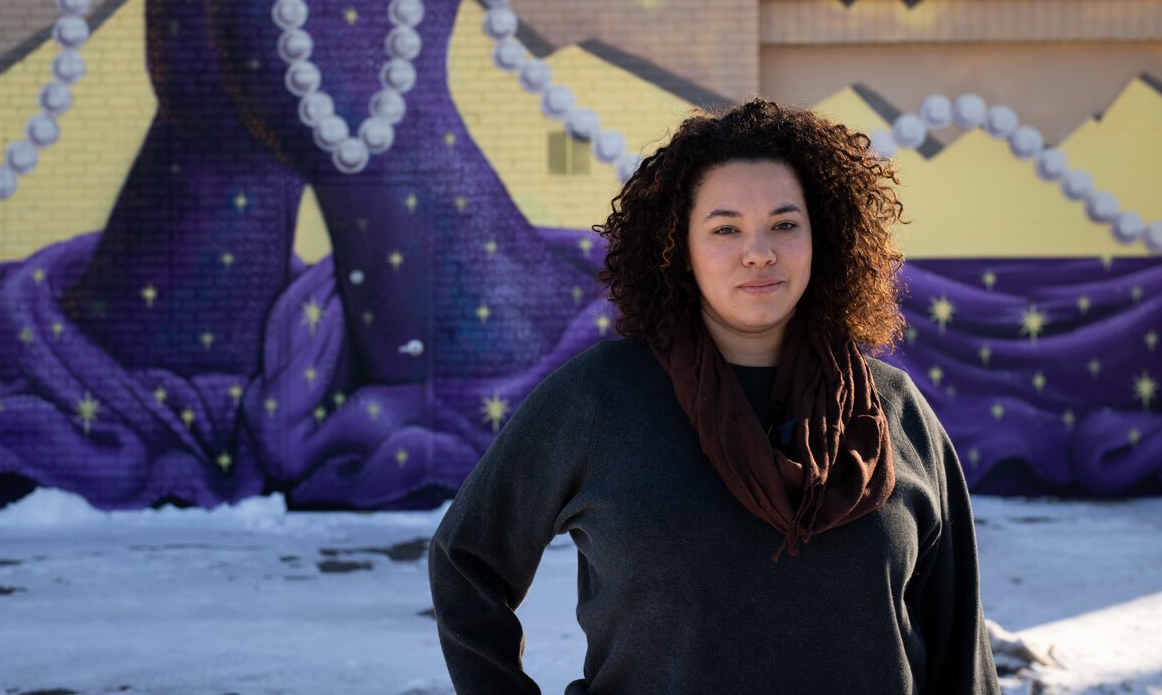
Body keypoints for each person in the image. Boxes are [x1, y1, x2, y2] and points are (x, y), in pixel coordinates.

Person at [428, 99, 1000, 694]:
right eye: (725, 228)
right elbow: (465, 564)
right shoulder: (599, 398)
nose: (759, 251)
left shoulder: (893, 411)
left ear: (821, 237)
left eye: (785, 224)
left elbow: (959, 641)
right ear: (679, 249)